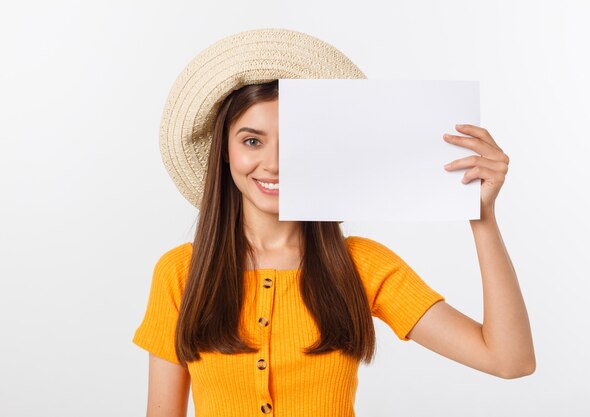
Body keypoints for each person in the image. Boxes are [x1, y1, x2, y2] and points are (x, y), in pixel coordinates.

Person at [132, 28, 535, 417]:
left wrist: (480, 216)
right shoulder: (181, 273)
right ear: (225, 150)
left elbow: (508, 359)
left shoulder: (361, 266)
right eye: (252, 140)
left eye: (293, 142)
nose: (272, 163)